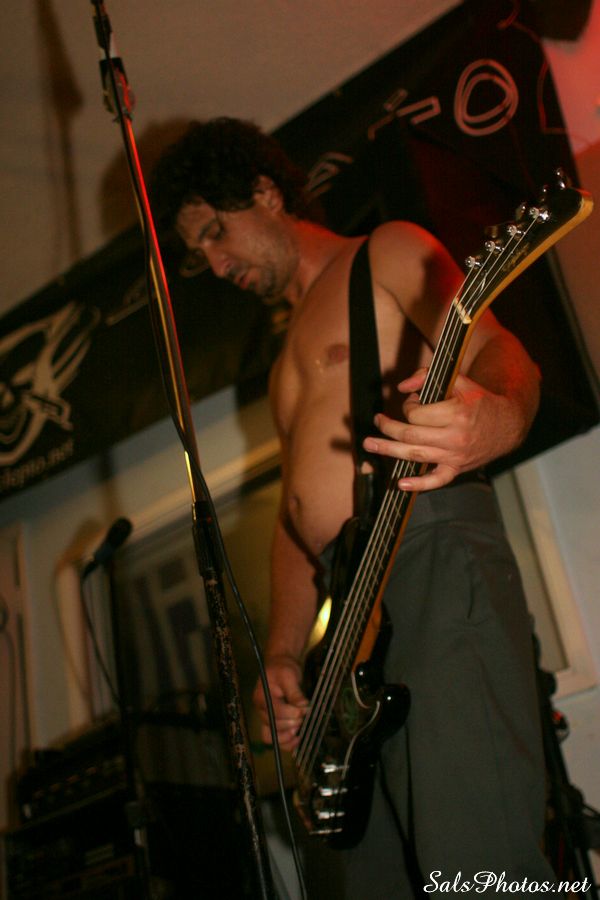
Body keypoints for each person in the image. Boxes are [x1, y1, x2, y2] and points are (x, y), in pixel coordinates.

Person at [151, 118, 559, 898]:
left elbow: (500, 352)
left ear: (266, 194)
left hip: (427, 548)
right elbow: (294, 522)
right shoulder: (282, 362)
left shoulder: (387, 250)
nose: (215, 264)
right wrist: (280, 654)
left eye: (215, 232)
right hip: (348, 614)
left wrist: (497, 418)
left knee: (476, 863)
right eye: (199, 253)